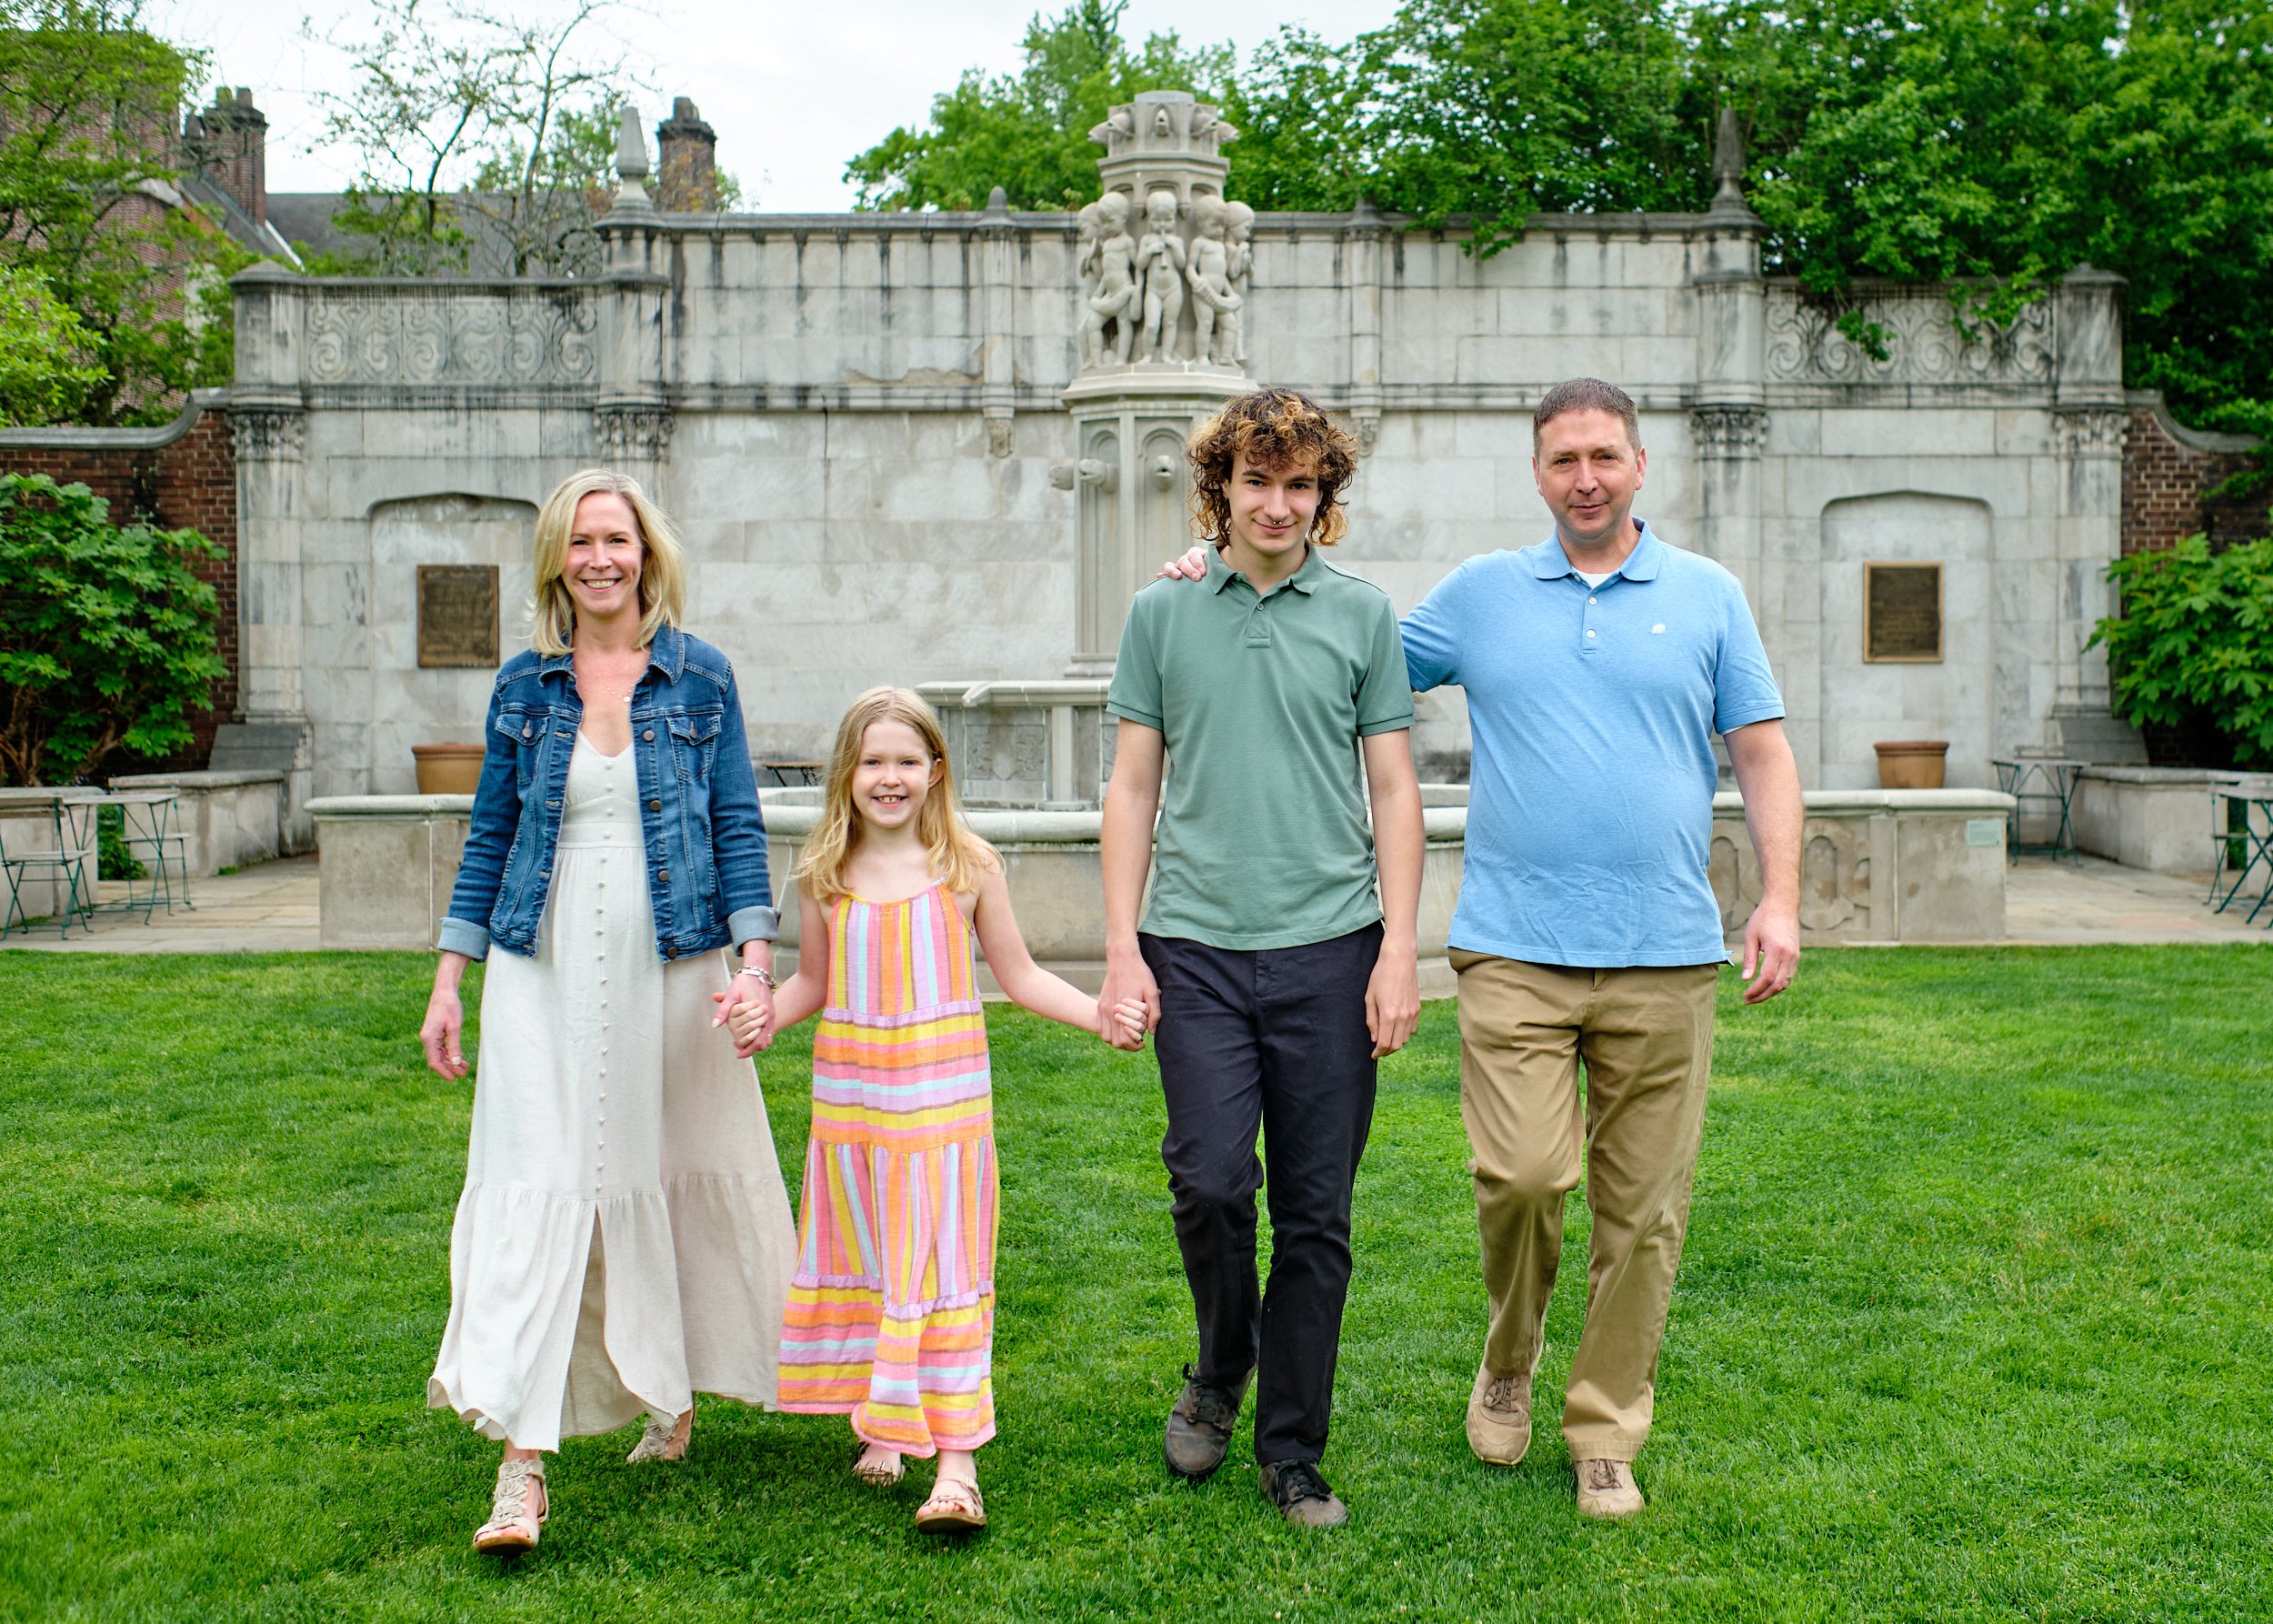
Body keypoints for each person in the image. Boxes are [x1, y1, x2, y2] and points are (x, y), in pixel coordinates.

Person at [1157, 376, 1803, 1519]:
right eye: (1564, 460)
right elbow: (1324, 639)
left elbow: (1757, 751)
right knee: (1522, 1177)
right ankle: (1509, 1355)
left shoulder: (1707, 596)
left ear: (1639, 465)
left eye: (1605, 456)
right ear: (1539, 473)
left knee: (1643, 1213)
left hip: (1665, 949)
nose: (1586, 478)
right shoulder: (1482, 597)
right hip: (1510, 946)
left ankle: (1603, 1426)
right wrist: (1210, 580)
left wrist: (1780, 897)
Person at [419, 468, 797, 1554]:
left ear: (646, 553)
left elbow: (735, 826)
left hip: (670, 952)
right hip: (535, 958)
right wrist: (451, 979)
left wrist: (754, 962)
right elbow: (488, 839)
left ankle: (670, 1392)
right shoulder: (523, 688)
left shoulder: (701, 676)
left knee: (667, 1161)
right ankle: (521, 1467)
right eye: (581, 541)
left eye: (616, 540)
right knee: (538, 1178)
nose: (599, 559)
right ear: (557, 558)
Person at [1097, 387, 1426, 1530]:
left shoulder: (1362, 616)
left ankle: (1292, 1451)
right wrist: (1121, 950)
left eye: (1299, 484)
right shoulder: (1162, 610)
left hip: (1330, 950)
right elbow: (1133, 785)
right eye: (1257, 481)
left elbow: (1393, 788)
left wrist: (1396, 949)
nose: (1277, 503)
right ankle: (1222, 1360)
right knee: (1208, 1182)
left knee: (1316, 1211)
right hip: (1190, 947)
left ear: (1322, 494)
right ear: (1220, 489)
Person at [728, 687, 1147, 1533]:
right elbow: (810, 982)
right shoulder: (822, 874)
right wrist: (762, 1013)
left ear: (935, 771)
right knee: (882, 1259)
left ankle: (956, 1467)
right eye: (874, 763)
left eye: (907, 762)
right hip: (856, 1113)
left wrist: (1097, 1013)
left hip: (944, 1115)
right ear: (848, 773)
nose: (890, 779)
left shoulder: (968, 866)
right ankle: (887, 1420)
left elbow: (1020, 976)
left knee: (945, 1269)